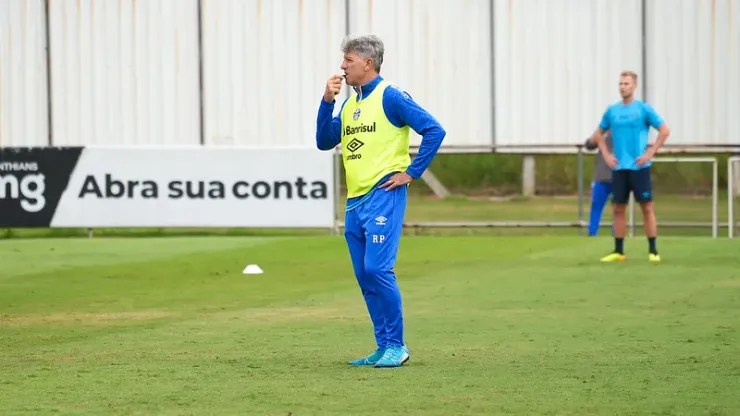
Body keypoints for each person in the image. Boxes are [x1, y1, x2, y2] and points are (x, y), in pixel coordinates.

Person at [315, 34, 446, 367]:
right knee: (364, 274)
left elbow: (433, 130)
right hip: (355, 200)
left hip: (383, 194)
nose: (342, 67)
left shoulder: (391, 96)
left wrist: (411, 173)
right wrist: (326, 102)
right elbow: (324, 141)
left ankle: (397, 345)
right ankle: (383, 344)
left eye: (348, 60)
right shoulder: (349, 103)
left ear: (367, 63)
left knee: (377, 268)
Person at [593, 71, 670, 263]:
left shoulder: (643, 109)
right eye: (620, 84)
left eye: (626, 84)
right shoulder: (612, 111)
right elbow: (598, 134)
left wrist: (650, 153)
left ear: (634, 86)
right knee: (618, 208)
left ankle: (653, 250)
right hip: (619, 169)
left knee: (647, 207)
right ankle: (619, 251)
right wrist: (607, 155)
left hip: (639, 168)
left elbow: (664, 130)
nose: (622, 87)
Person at [584, 130, 613, 236]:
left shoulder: (625, 131)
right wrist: (597, 135)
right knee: (596, 205)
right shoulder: (603, 131)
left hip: (619, 175)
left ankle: (617, 234)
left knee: (618, 207)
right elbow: (588, 145)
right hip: (601, 176)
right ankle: (592, 232)